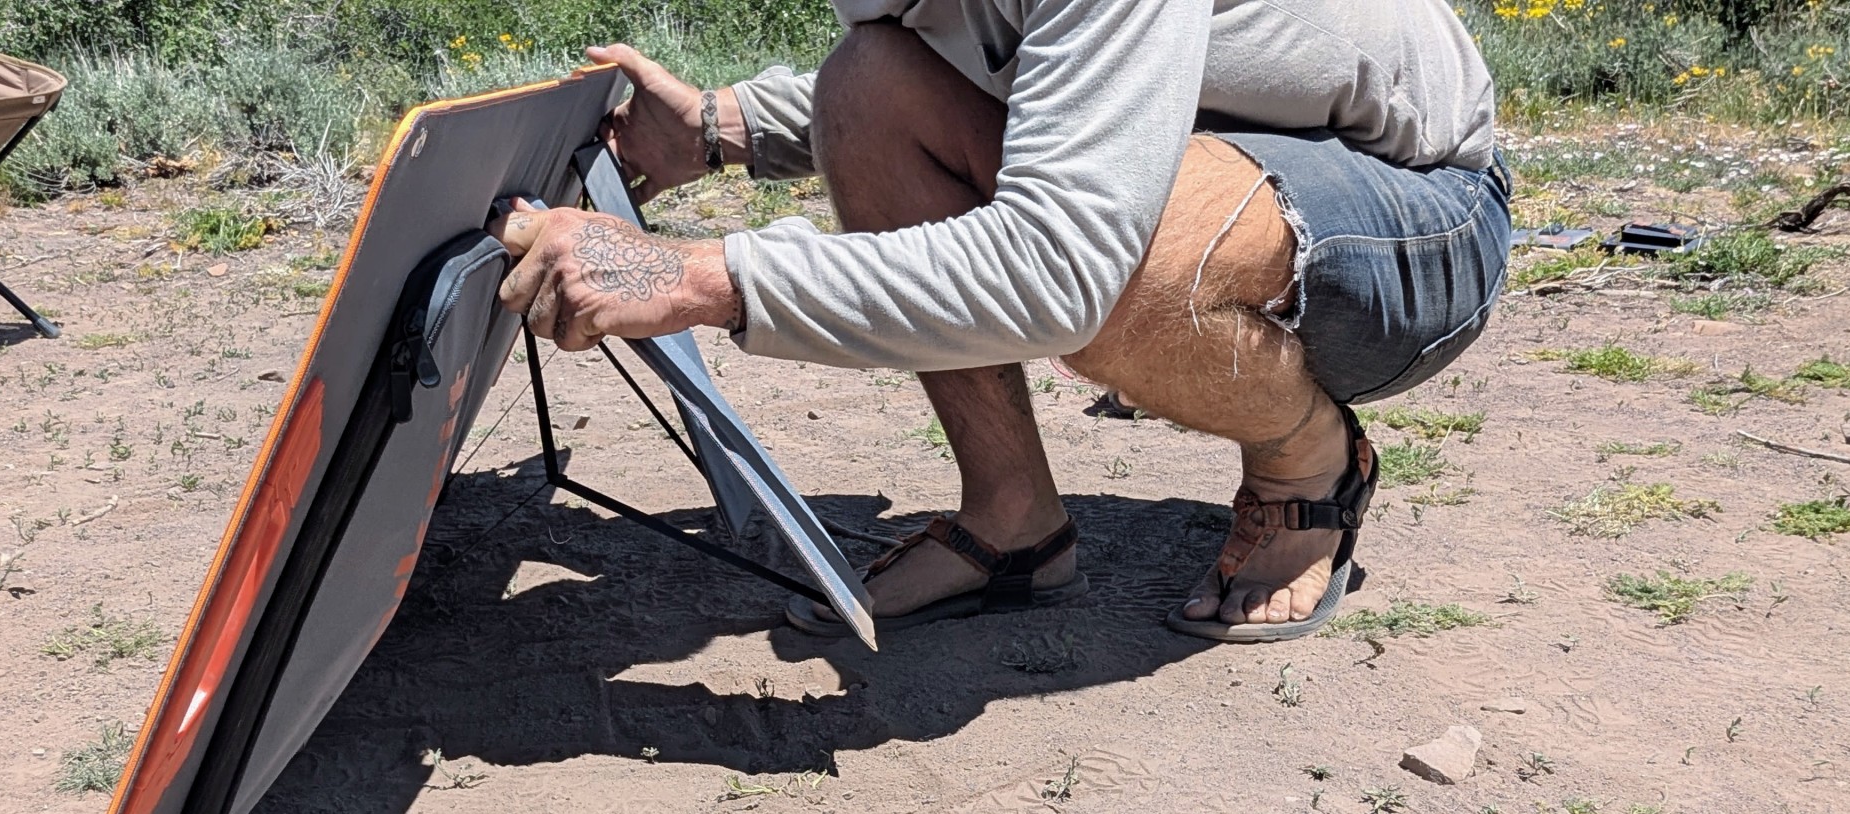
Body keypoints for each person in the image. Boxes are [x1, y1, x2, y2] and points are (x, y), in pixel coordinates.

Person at [492, 0, 1510, 643]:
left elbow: (1059, 267)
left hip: (1421, 214)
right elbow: (1002, 59)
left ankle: (1306, 464)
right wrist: (721, 130)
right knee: (869, 85)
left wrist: (690, 277)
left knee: (1122, 264)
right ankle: (1011, 520)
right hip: (1241, 158)